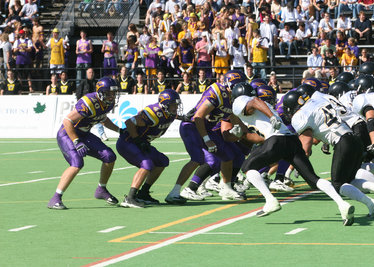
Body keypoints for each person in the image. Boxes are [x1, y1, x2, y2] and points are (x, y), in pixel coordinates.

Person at [231, 82, 357, 223]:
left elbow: (254, 101)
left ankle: (270, 200)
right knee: (313, 180)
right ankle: (342, 204)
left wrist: (271, 117)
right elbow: (260, 138)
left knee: (247, 168)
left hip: (277, 140)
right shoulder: (260, 109)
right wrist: (242, 135)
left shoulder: (242, 102)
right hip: (290, 140)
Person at [284, 90, 374, 223]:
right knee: (349, 180)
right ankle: (373, 201)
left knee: (337, 184)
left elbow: (306, 147)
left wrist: (298, 163)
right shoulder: (317, 101)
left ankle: (372, 196)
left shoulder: (300, 116)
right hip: (354, 138)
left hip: (343, 143)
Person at [164, 70, 248, 204]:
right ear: (230, 85)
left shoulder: (233, 97)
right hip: (192, 127)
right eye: (239, 86)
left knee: (228, 155)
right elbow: (198, 117)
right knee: (198, 159)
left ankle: (226, 188)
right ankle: (177, 192)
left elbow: (232, 116)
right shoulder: (217, 92)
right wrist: (207, 140)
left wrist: (247, 131)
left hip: (207, 128)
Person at [47, 77, 122, 210]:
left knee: (109, 157)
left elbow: (102, 118)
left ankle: (101, 189)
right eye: (109, 93)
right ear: (100, 92)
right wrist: (76, 141)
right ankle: (55, 198)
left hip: (84, 134)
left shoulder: (107, 103)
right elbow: (67, 121)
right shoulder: (89, 102)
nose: (112, 96)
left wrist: (119, 130)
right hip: (67, 134)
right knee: (77, 163)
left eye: (113, 93)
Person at [117, 89, 182, 207]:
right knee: (147, 164)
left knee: (162, 161)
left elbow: (171, 115)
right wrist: (137, 139)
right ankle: (130, 197)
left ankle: (143, 193)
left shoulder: (169, 113)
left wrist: (185, 118)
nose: (176, 107)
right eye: (173, 105)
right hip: (128, 142)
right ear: (165, 105)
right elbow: (129, 122)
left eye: (177, 104)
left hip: (141, 143)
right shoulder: (153, 114)